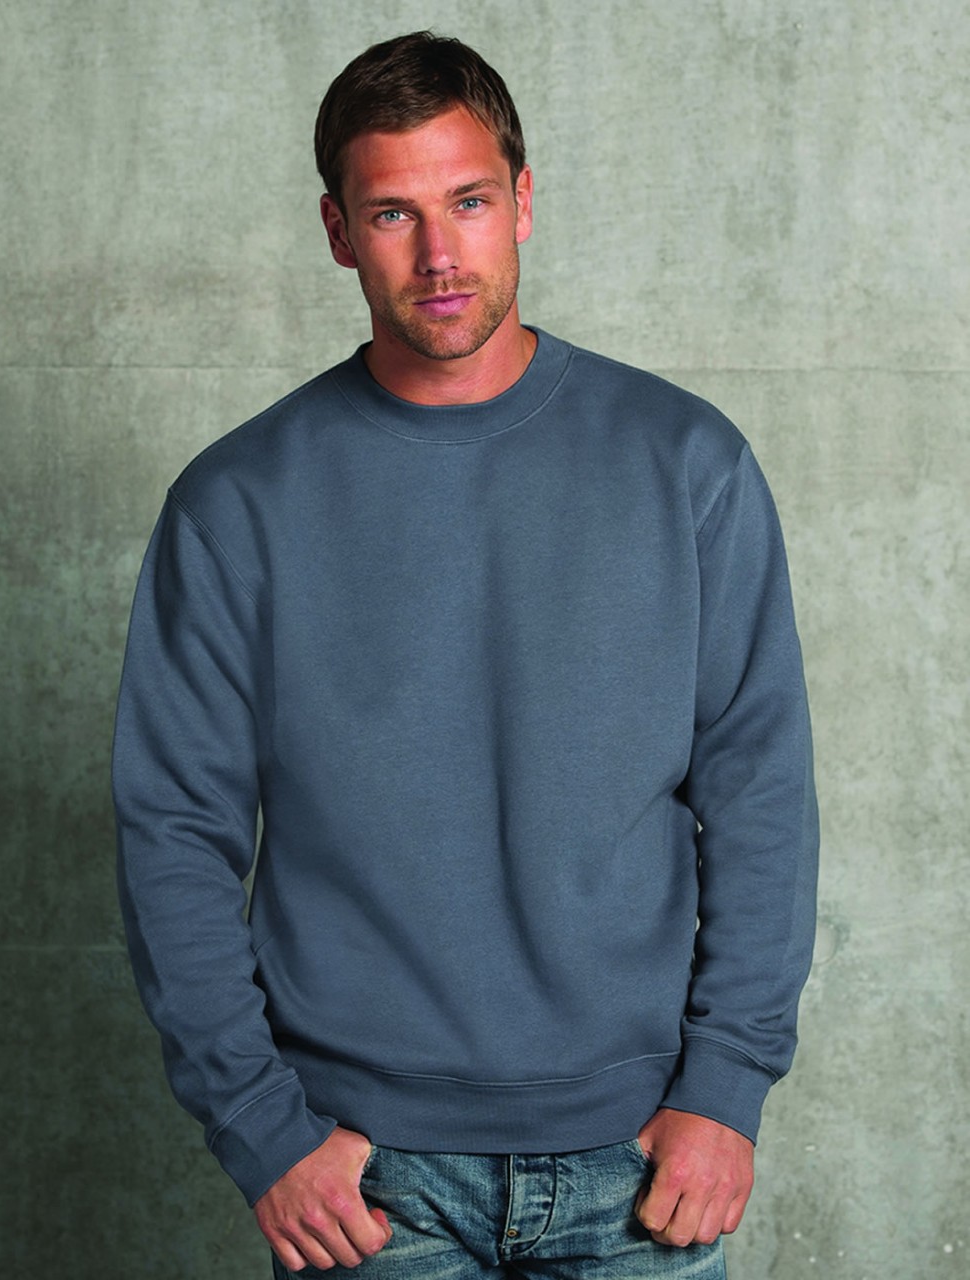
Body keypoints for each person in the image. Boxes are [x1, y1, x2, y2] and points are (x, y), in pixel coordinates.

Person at [113, 30, 819, 1279]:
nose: (439, 254)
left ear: (523, 202)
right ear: (338, 231)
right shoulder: (239, 502)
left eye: (470, 201)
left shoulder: (684, 463)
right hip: (367, 1177)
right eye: (393, 212)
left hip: (639, 1159)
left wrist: (726, 1083)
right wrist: (263, 1129)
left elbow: (760, 791)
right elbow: (172, 829)